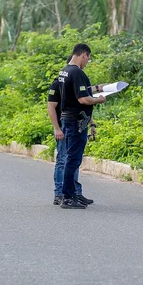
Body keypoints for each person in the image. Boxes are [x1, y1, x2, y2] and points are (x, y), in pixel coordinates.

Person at [57, 43, 107, 210]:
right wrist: (98, 100)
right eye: (88, 58)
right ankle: (68, 196)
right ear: (84, 55)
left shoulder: (64, 71)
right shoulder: (77, 72)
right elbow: (83, 99)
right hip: (76, 121)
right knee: (73, 159)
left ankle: (72, 194)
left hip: (71, 119)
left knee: (72, 159)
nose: (87, 62)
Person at [48, 57, 82, 205]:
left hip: (75, 124)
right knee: (63, 159)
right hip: (63, 126)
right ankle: (59, 193)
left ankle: (74, 192)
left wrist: (92, 124)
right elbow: (51, 107)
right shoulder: (57, 83)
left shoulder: (75, 82)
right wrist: (57, 128)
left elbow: (83, 104)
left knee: (73, 161)